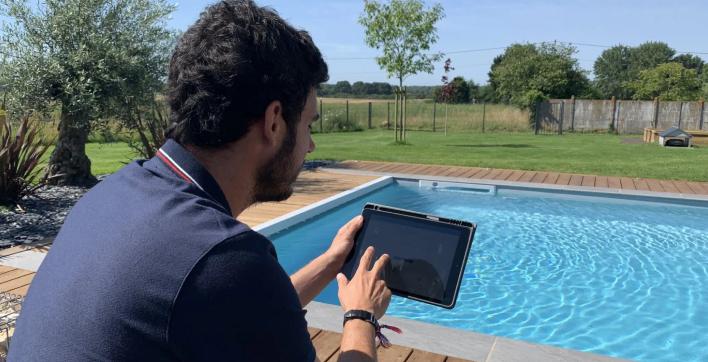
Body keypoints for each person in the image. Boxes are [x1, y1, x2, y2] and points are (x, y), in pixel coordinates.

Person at [7, 1, 392, 361]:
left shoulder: (112, 193)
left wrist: (329, 264)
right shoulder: (226, 260)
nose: (309, 146)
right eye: (308, 124)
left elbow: (235, 314)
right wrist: (361, 316)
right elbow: (228, 288)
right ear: (274, 121)